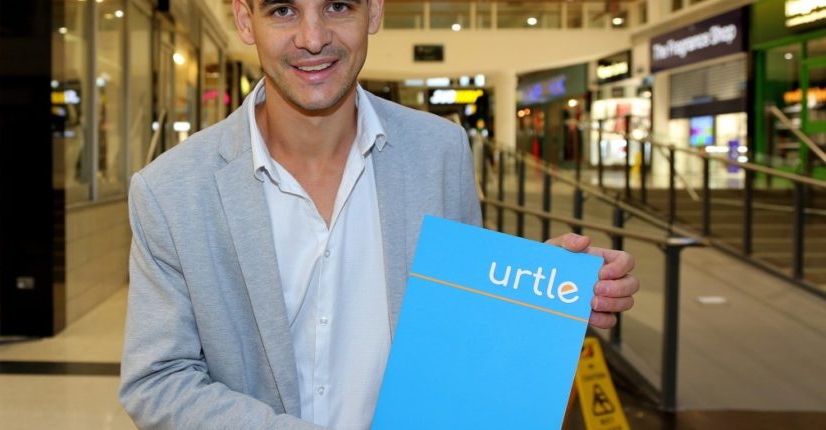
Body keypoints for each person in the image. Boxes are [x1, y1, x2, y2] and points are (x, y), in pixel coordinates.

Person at [119, 1, 640, 429]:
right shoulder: (170, 191)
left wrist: (537, 295)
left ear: (374, 12)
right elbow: (157, 381)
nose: (313, 38)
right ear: (243, 20)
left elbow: (457, 328)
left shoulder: (440, 151)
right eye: (282, 11)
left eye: (337, 7)